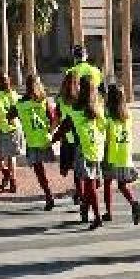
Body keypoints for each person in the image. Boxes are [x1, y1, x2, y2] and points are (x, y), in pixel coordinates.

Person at [51, 76, 107, 230]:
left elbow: (63, 128)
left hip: (83, 150)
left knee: (89, 185)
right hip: (97, 149)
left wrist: (51, 141)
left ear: (81, 89)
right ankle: (85, 208)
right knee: (91, 183)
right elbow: (104, 127)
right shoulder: (98, 108)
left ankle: (97, 217)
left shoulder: (76, 109)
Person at [11, 74, 57, 211]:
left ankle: (48, 194)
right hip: (44, 139)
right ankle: (78, 191)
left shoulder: (20, 103)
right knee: (54, 166)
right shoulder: (43, 101)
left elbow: (9, 115)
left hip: (32, 141)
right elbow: (53, 118)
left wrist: (19, 121)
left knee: (39, 170)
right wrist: (50, 132)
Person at [103, 84, 140, 225]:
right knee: (122, 185)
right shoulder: (128, 116)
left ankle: (109, 212)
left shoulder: (108, 117)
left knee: (107, 183)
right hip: (125, 155)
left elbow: (106, 137)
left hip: (111, 155)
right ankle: (133, 202)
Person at [0, 70, 23, 193]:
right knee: (11, 156)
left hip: (2, 128)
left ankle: (8, 175)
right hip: (15, 127)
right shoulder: (15, 94)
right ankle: (12, 179)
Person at [56, 71, 81, 204]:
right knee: (79, 167)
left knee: (74, 168)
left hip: (67, 137)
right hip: (80, 137)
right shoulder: (81, 98)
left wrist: (51, 132)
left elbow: (57, 118)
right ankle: (80, 193)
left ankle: (78, 192)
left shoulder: (61, 99)